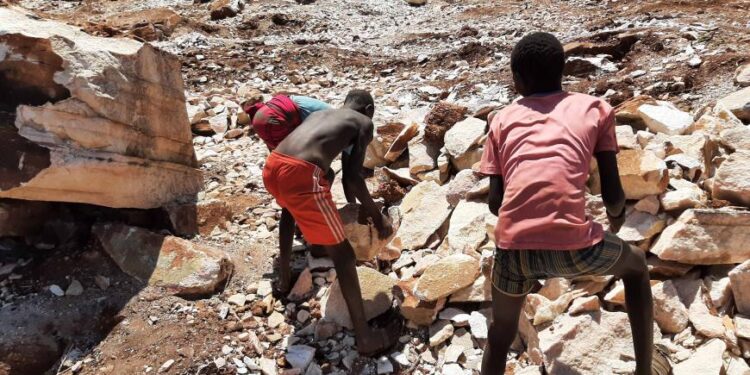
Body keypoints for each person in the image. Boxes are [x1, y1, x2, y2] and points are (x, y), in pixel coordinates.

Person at [479, 32, 668, 375]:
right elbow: (612, 194)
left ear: (517, 80)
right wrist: (613, 219)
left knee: (500, 333)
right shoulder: (595, 109)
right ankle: (645, 370)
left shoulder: (501, 119)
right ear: (561, 71)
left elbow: (495, 202)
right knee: (636, 266)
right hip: (576, 249)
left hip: (513, 251)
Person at [262, 90, 399, 355]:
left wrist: (356, 207)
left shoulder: (322, 113)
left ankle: (285, 278)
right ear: (369, 109)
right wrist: (376, 216)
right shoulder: (363, 123)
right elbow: (353, 179)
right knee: (345, 256)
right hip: (300, 173)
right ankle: (366, 339)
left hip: (273, 167)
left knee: (292, 208)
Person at [243, 93, 331, 151]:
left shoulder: (267, 106)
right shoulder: (330, 114)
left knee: (283, 152)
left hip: (261, 119)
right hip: (278, 115)